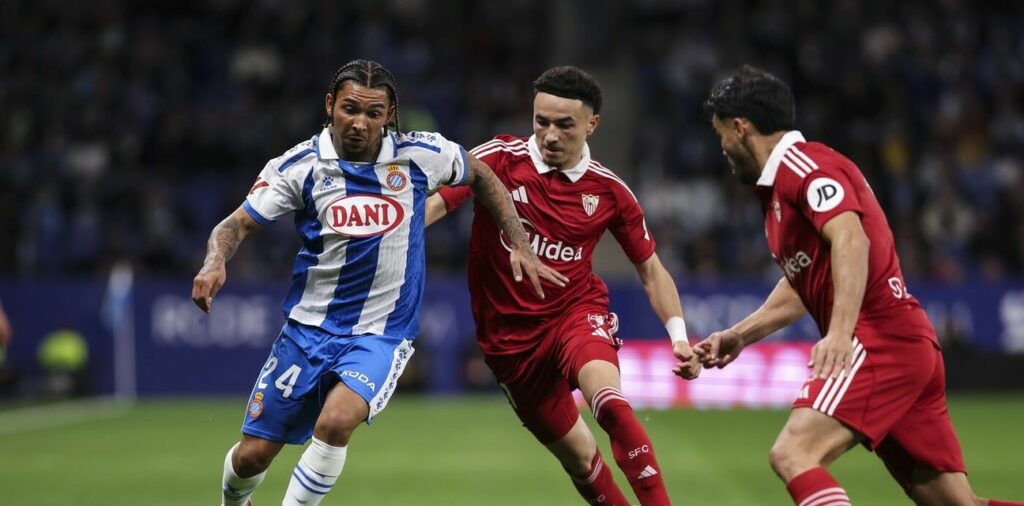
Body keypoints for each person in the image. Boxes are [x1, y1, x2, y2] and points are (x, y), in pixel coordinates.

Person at [192, 59, 561, 506]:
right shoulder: (300, 166)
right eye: (350, 109)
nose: (359, 123)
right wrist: (215, 261)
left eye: (373, 113)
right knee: (253, 456)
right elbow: (234, 226)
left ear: (389, 114)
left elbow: (482, 175)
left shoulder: (420, 155)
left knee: (336, 422)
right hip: (306, 331)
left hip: (381, 334)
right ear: (330, 105)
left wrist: (518, 240)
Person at [697, 65, 1022, 506]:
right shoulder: (779, 189)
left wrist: (840, 333)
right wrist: (741, 334)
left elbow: (851, 238)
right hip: (905, 344)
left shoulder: (801, 165)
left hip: (879, 338)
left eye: (721, 135)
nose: (722, 148)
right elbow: (803, 283)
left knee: (795, 453)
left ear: (741, 128)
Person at [426, 66, 701, 506]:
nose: (549, 135)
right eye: (541, 122)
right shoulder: (498, 158)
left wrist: (680, 338)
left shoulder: (610, 192)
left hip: (574, 314)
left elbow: (652, 270)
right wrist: (387, 240)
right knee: (580, 461)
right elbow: (437, 202)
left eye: (564, 124)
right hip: (509, 344)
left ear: (592, 124)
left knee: (609, 402)